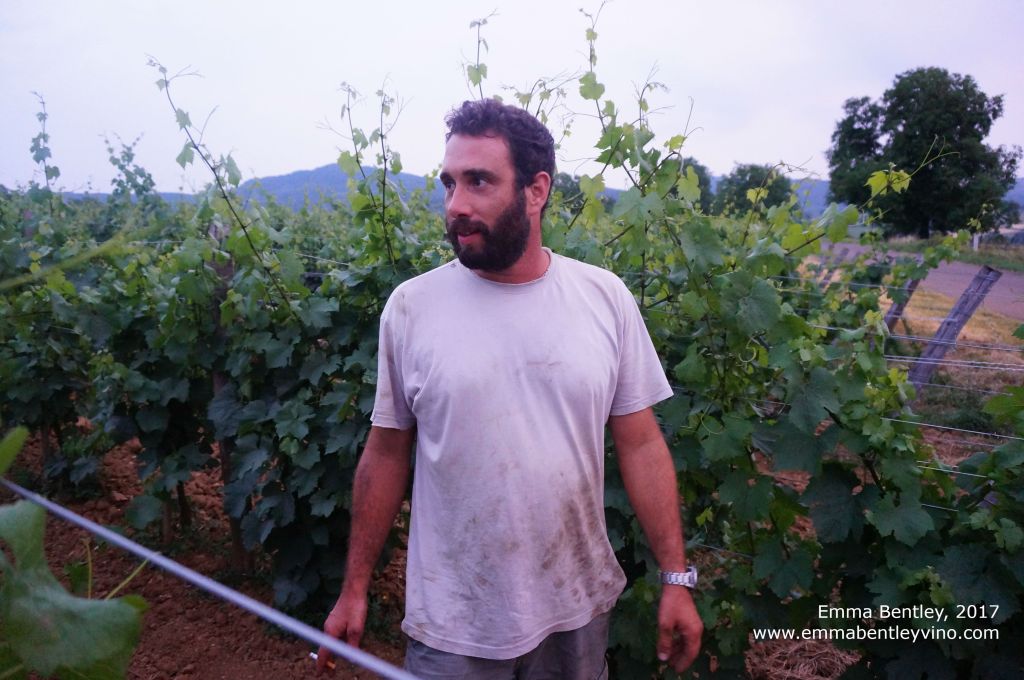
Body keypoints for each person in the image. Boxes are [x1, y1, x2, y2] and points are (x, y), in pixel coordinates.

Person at [318, 99, 702, 678]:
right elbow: (387, 449)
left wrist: (676, 578)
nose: (457, 206)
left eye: (479, 182)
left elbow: (642, 444)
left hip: (575, 607)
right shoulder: (411, 309)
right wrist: (354, 588)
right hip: (454, 621)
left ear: (536, 189)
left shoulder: (604, 299)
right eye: (449, 183)